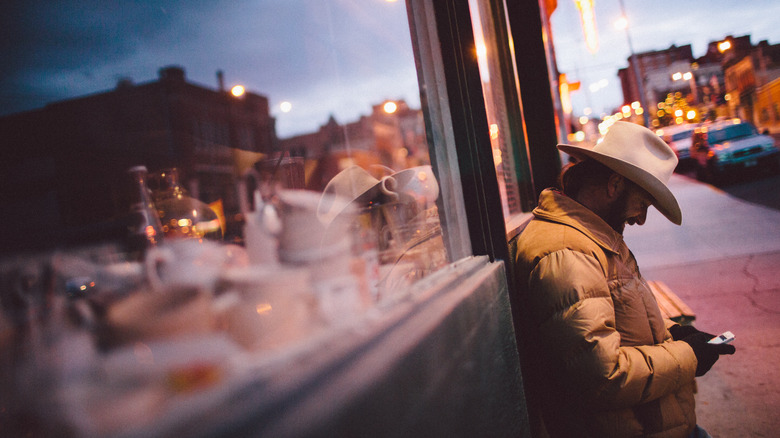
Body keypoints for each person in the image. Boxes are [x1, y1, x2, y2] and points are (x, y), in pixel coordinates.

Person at [511, 121, 735, 438]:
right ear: (615, 185)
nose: (641, 219)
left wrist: (675, 332)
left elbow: (617, 319)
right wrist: (689, 355)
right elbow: (602, 377)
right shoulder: (567, 252)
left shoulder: (590, 237)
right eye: (642, 204)